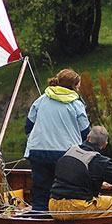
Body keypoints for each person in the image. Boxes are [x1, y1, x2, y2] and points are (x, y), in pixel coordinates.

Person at [25, 68, 90, 214]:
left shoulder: (41, 100)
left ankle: (39, 215)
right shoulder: (76, 104)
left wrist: (35, 140)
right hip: (66, 153)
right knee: (65, 188)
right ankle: (62, 217)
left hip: (38, 151)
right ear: (74, 86)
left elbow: (29, 125)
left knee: (40, 186)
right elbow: (85, 132)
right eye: (78, 86)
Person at [49, 126, 112, 219]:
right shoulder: (101, 162)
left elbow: (74, 177)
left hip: (53, 205)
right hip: (75, 208)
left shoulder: (70, 151)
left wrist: (100, 184)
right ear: (105, 145)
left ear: (88, 138)